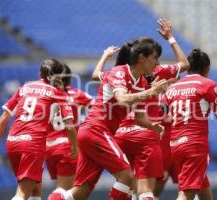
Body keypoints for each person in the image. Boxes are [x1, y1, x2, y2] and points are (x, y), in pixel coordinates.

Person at [53, 37, 172, 200]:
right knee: (127, 177)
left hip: (96, 134)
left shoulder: (142, 82)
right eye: (155, 58)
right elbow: (122, 99)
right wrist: (151, 92)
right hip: (96, 130)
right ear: (142, 58)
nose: (157, 63)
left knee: (81, 192)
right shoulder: (119, 72)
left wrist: (153, 126)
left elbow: (138, 117)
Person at [0, 59, 77, 200]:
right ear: (59, 76)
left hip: (12, 142)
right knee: (22, 193)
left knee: (35, 189)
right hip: (33, 144)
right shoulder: (58, 92)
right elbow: (70, 125)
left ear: (40, 73)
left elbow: (4, 118)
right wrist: (75, 147)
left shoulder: (25, 87)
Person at [162, 49, 217, 200]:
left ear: (188, 68)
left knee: (203, 188)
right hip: (194, 145)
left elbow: (161, 111)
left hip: (176, 145)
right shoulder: (207, 84)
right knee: (186, 193)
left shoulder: (172, 88)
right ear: (207, 69)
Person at [47, 64, 92, 199]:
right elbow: (97, 105)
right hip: (68, 146)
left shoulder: (46, 95)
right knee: (66, 190)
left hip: (49, 147)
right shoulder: (76, 94)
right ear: (69, 79)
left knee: (64, 188)